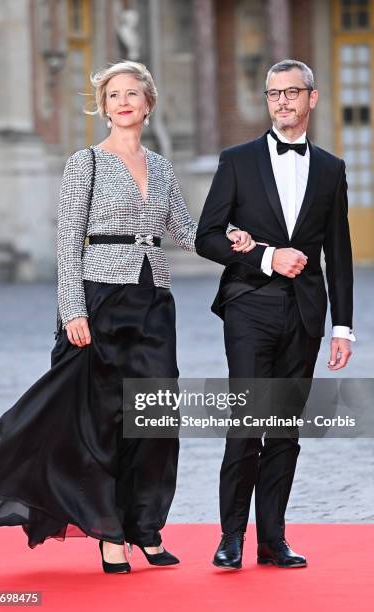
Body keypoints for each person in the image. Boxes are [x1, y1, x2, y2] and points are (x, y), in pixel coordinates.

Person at [0, 60, 253, 574]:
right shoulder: (86, 163)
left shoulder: (162, 167)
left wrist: (233, 241)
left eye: (131, 94)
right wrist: (72, 308)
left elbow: (184, 231)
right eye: (113, 95)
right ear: (104, 106)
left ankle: (146, 527)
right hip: (99, 299)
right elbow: (67, 240)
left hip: (152, 299)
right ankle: (110, 534)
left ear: (148, 103)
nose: (122, 102)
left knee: (156, 419)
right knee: (101, 421)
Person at [195, 59, 355, 570]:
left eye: (291, 92)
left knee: (284, 427)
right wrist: (263, 255)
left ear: (311, 98)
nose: (282, 101)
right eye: (272, 94)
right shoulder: (237, 160)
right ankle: (231, 537)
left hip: (306, 313)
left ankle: (272, 538)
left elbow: (341, 254)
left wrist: (343, 327)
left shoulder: (331, 168)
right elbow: (208, 236)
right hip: (249, 305)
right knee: (247, 420)